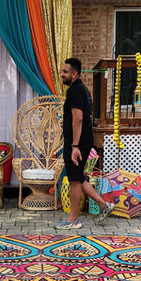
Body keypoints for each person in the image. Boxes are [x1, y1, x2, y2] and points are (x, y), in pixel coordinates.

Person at [54, 57, 115, 230]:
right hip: (81, 141)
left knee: (74, 179)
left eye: (65, 72)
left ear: (74, 74)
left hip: (77, 144)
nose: (61, 74)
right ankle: (104, 205)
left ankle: (73, 219)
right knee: (79, 177)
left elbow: (78, 118)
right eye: (62, 71)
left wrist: (74, 146)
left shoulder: (75, 91)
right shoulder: (81, 89)